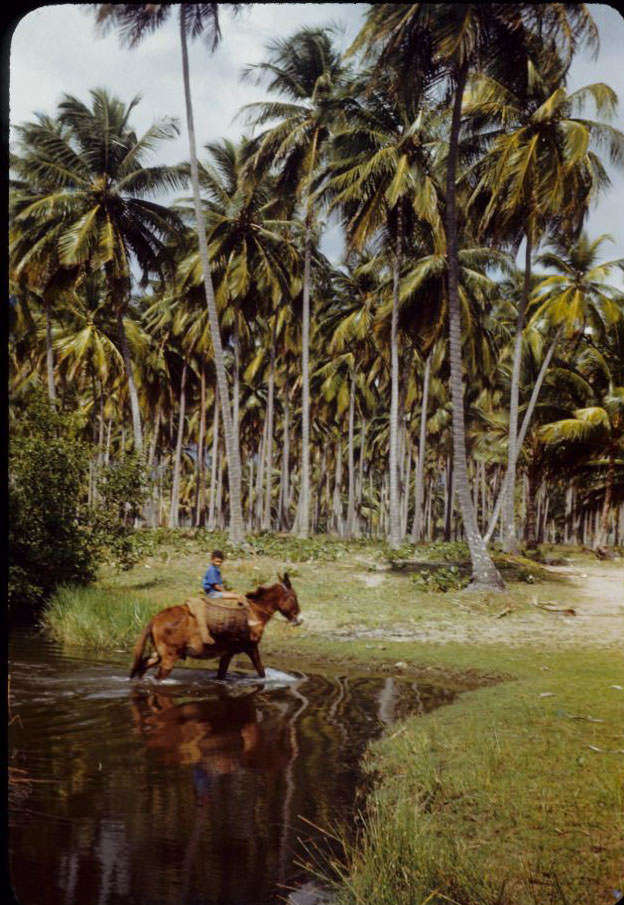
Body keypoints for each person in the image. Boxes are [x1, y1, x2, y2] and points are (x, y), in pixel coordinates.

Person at [202, 551, 262, 641]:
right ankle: (250, 619)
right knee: (240, 597)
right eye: (216, 561)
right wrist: (226, 592)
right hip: (213, 593)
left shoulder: (215, 569)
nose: (218, 564)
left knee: (236, 596)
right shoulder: (212, 570)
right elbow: (215, 586)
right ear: (212, 560)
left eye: (220, 562)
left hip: (215, 592)